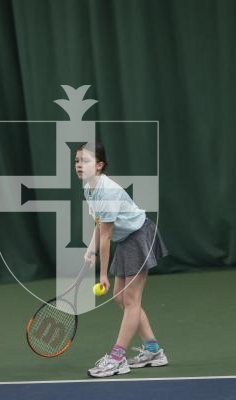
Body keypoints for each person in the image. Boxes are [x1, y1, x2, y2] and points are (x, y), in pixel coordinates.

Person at [75, 142, 169, 378]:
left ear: (99, 165)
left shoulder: (107, 192)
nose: (79, 165)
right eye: (76, 161)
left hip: (138, 237)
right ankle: (153, 351)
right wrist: (91, 250)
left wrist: (102, 274)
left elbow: (106, 236)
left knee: (131, 300)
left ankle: (117, 359)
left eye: (85, 161)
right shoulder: (89, 188)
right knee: (121, 297)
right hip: (127, 240)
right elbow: (99, 224)